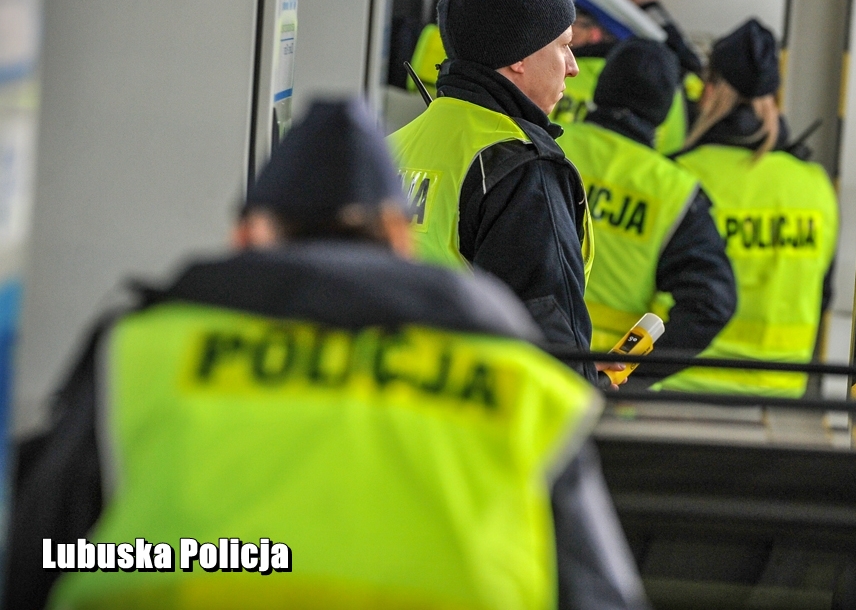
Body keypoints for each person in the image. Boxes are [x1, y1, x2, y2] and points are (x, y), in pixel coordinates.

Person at [5, 100, 649, 610]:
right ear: (399, 237)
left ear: (249, 234)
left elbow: (41, 550)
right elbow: (598, 590)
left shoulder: (145, 350)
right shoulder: (515, 377)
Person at [387, 0, 602, 386]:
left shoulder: (396, 146)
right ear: (519, 56)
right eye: (563, 46)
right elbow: (544, 333)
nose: (573, 66)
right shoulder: (520, 164)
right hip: (469, 408)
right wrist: (586, 388)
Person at [655, 19, 838, 396]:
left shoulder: (678, 176)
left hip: (679, 388)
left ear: (710, 91)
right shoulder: (815, 184)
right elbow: (823, 295)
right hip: (778, 398)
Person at [556, 39, 737, 386]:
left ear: (602, 86)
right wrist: (632, 373)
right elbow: (710, 305)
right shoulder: (674, 191)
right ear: (664, 109)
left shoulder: (545, 145)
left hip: (525, 370)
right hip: (605, 389)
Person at [553, 0, 702, 157]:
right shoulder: (671, 94)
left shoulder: (556, 71)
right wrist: (651, 7)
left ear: (594, 34)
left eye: (573, 24)